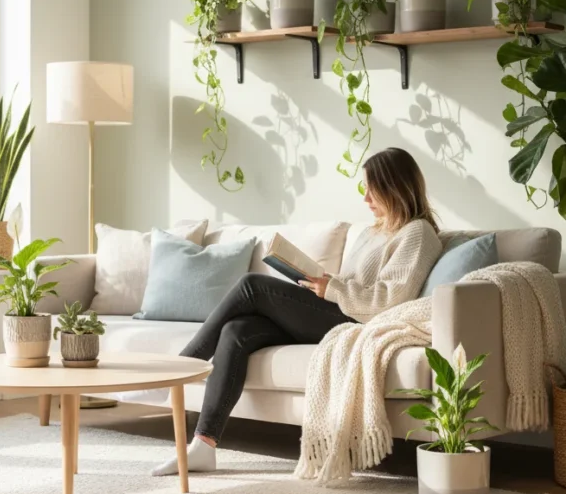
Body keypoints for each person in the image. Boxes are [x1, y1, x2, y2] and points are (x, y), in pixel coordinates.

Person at [152, 146, 443, 475]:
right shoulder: (374, 231)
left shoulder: (418, 234)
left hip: (357, 321)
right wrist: (321, 282)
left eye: (371, 189)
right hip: (337, 308)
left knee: (252, 286)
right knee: (238, 331)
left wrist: (331, 288)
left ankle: (179, 367)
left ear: (396, 188)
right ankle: (202, 446)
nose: (365, 200)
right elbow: (350, 281)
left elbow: (391, 298)